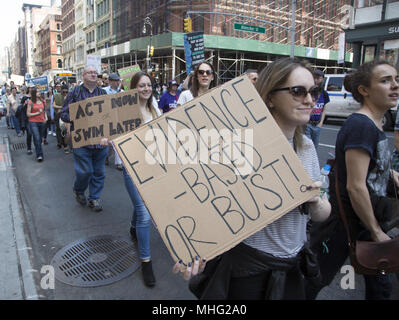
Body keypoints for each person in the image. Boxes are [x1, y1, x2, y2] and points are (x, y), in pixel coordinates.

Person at [173, 58, 331, 300]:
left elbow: (323, 213)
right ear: (270, 97)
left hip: (292, 266)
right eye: (298, 91)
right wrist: (194, 249)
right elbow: (204, 203)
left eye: (314, 91)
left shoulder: (307, 147)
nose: (309, 100)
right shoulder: (239, 147)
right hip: (248, 273)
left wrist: (316, 201)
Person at [307, 60, 399, 300]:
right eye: (385, 80)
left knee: (380, 287)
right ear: (364, 90)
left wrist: (390, 174)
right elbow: (355, 186)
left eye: (396, 79)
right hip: (349, 224)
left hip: (360, 222)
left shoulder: (374, 123)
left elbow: (366, 169)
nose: (395, 86)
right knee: (313, 282)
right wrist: (376, 231)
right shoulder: (361, 125)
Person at [100, 71, 162, 287]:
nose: (146, 89)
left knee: (140, 205)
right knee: (145, 214)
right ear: (133, 88)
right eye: (142, 85)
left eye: (149, 85)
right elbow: (113, 133)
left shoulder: (156, 109)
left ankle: (132, 228)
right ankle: (146, 261)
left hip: (152, 168)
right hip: (132, 167)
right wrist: (107, 140)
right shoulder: (125, 111)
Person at [60, 65, 108, 212]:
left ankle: (94, 198)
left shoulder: (103, 94)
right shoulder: (74, 93)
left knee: (99, 172)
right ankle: (79, 190)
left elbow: (110, 115)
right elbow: (63, 114)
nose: (93, 75)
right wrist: (81, 118)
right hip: (82, 141)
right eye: (90, 73)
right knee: (85, 171)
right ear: (83, 76)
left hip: (100, 141)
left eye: (95, 73)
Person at [304, 70, 330, 150]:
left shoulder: (324, 93)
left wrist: (321, 122)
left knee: (315, 147)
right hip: (308, 124)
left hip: (317, 124)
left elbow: (324, 109)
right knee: (307, 147)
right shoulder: (309, 92)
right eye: (314, 78)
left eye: (318, 78)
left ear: (322, 79)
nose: (316, 80)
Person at [104, 73, 124, 170]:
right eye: (115, 81)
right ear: (110, 81)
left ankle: (118, 162)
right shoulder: (104, 91)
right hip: (107, 119)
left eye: (118, 81)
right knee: (108, 142)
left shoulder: (122, 91)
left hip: (119, 118)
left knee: (118, 140)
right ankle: (106, 156)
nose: (117, 83)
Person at [26, 88, 47, 162]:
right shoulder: (30, 102)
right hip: (33, 122)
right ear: (34, 93)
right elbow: (28, 114)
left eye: (39, 91)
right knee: (37, 138)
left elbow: (44, 111)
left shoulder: (42, 101)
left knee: (39, 139)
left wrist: (45, 118)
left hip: (41, 122)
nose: (39, 93)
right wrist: (37, 113)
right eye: (37, 91)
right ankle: (39, 155)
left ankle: (37, 148)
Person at [53, 84, 70, 154]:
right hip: (59, 114)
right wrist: (62, 107)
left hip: (68, 115)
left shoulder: (70, 96)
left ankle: (69, 144)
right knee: (61, 130)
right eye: (64, 92)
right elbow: (53, 105)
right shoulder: (56, 96)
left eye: (67, 92)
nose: (65, 93)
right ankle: (64, 146)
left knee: (68, 130)